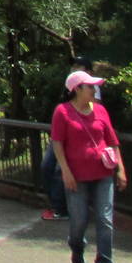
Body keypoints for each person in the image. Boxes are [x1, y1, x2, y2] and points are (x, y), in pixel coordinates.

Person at [51, 70, 127, 263]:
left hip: (103, 173)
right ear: (77, 89)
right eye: (90, 86)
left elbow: (112, 141)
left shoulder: (101, 111)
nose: (94, 90)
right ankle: (76, 246)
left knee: (105, 219)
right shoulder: (62, 112)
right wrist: (66, 171)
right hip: (77, 176)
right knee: (79, 220)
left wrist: (121, 169)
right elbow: (57, 143)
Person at [41, 56, 97, 220]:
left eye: (79, 66)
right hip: (61, 135)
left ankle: (61, 209)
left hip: (74, 137)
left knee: (61, 171)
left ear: (88, 71)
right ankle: (56, 205)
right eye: (74, 66)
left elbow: (95, 111)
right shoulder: (70, 87)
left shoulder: (91, 88)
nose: (74, 69)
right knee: (47, 167)